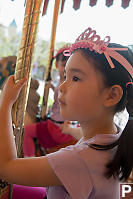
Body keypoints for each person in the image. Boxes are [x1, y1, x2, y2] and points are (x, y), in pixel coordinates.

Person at [0, 26, 133, 199]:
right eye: (64, 77)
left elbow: (5, 168)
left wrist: (5, 104)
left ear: (112, 95)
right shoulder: (116, 136)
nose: (62, 87)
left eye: (75, 78)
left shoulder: (79, 159)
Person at [23, 46, 77, 157]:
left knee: (26, 132)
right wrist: (52, 87)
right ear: (57, 65)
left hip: (57, 128)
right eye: (64, 66)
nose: (66, 69)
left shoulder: (65, 83)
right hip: (57, 122)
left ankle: (29, 160)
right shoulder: (64, 82)